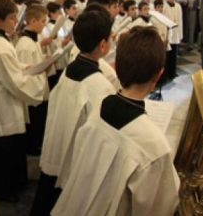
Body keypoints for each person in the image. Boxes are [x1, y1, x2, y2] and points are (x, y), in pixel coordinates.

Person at [52, 27, 179, 216]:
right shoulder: (154, 145)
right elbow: (159, 207)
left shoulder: (99, 108)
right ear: (158, 74)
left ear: (116, 67)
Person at [31, 8, 115, 216]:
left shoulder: (70, 69)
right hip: (76, 161)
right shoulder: (100, 86)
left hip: (57, 146)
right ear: (103, 45)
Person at [0, 0, 47, 202]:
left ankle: (13, 186)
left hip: (7, 102)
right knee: (7, 152)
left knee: (12, 149)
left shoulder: (1, 40)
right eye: (11, 18)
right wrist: (38, 80)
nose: (15, 22)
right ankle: (6, 190)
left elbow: (14, 67)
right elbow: (15, 81)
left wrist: (26, 68)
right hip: (4, 105)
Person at [16, 4, 54, 156]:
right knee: (34, 124)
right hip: (32, 94)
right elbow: (26, 72)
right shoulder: (25, 44)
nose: (45, 24)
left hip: (39, 90)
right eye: (43, 21)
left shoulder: (33, 41)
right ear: (32, 21)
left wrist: (44, 59)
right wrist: (42, 66)